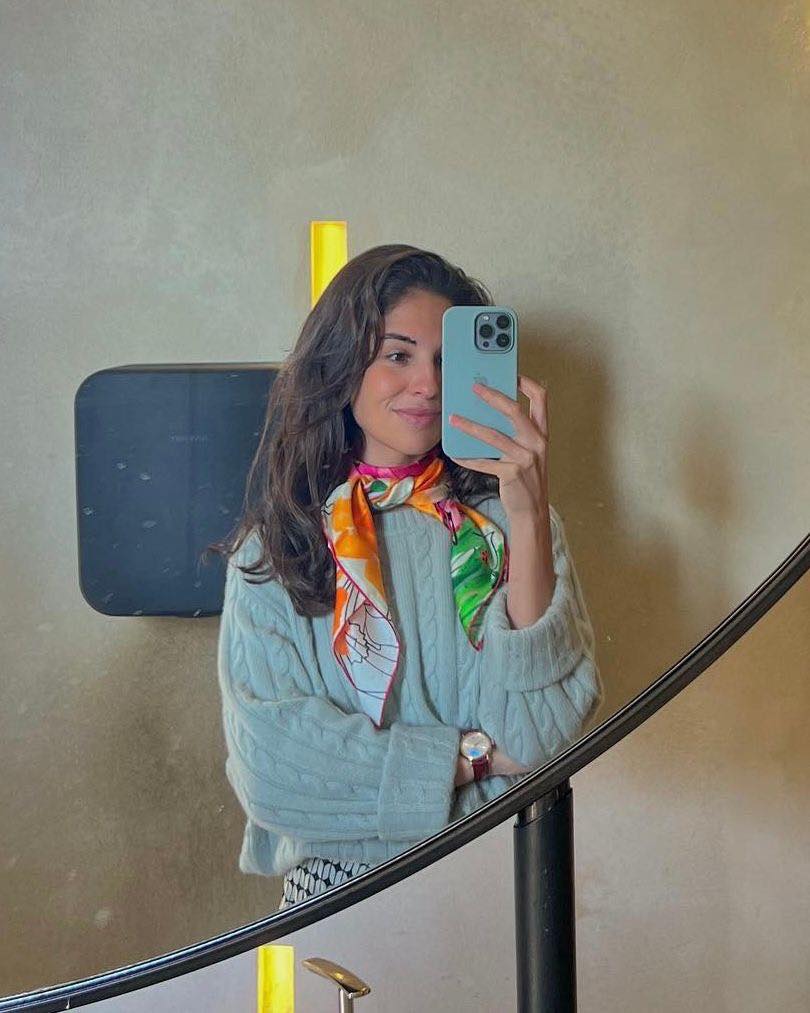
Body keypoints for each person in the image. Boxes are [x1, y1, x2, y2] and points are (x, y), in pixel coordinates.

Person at [210, 244, 604, 910]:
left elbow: (544, 738)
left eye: (447, 361)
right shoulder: (279, 545)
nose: (427, 383)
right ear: (343, 367)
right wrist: (474, 759)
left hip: (503, 881)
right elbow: (275, 776)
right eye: (398, 355)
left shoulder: (505, 527)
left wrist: (529, 515)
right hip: (333, 899)